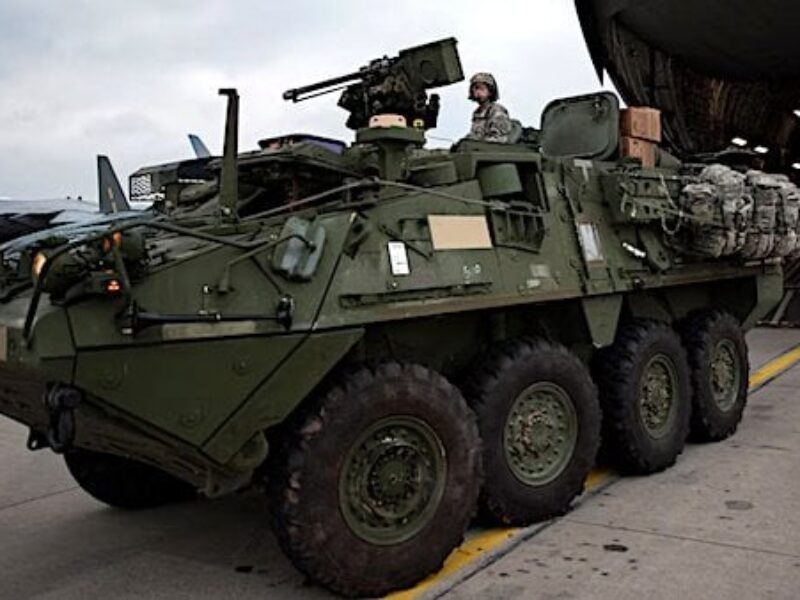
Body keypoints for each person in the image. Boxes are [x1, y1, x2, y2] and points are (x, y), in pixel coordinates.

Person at [467, 72, 513, 143]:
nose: (478, 92)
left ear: (490, 91)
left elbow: (499, 138)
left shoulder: (497, 110)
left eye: (482, 88)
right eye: (476, 88)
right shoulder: (477, 113)